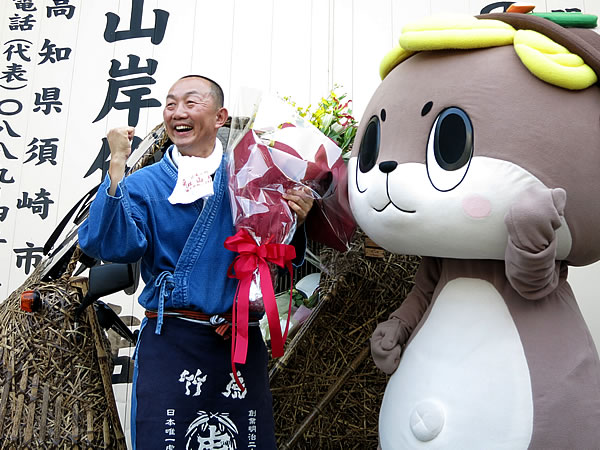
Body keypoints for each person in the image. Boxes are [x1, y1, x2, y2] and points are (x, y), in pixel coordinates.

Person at [78, 75, 313, 449]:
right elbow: (106, 243)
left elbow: (280, 257)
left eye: (190, 103)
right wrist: (117, 166)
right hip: (171, 339)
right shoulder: (145, 185)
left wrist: (295, 221)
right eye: (170, 104)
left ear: (220, 117)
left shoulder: (252, 180)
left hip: (237, 340)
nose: (177, 113)